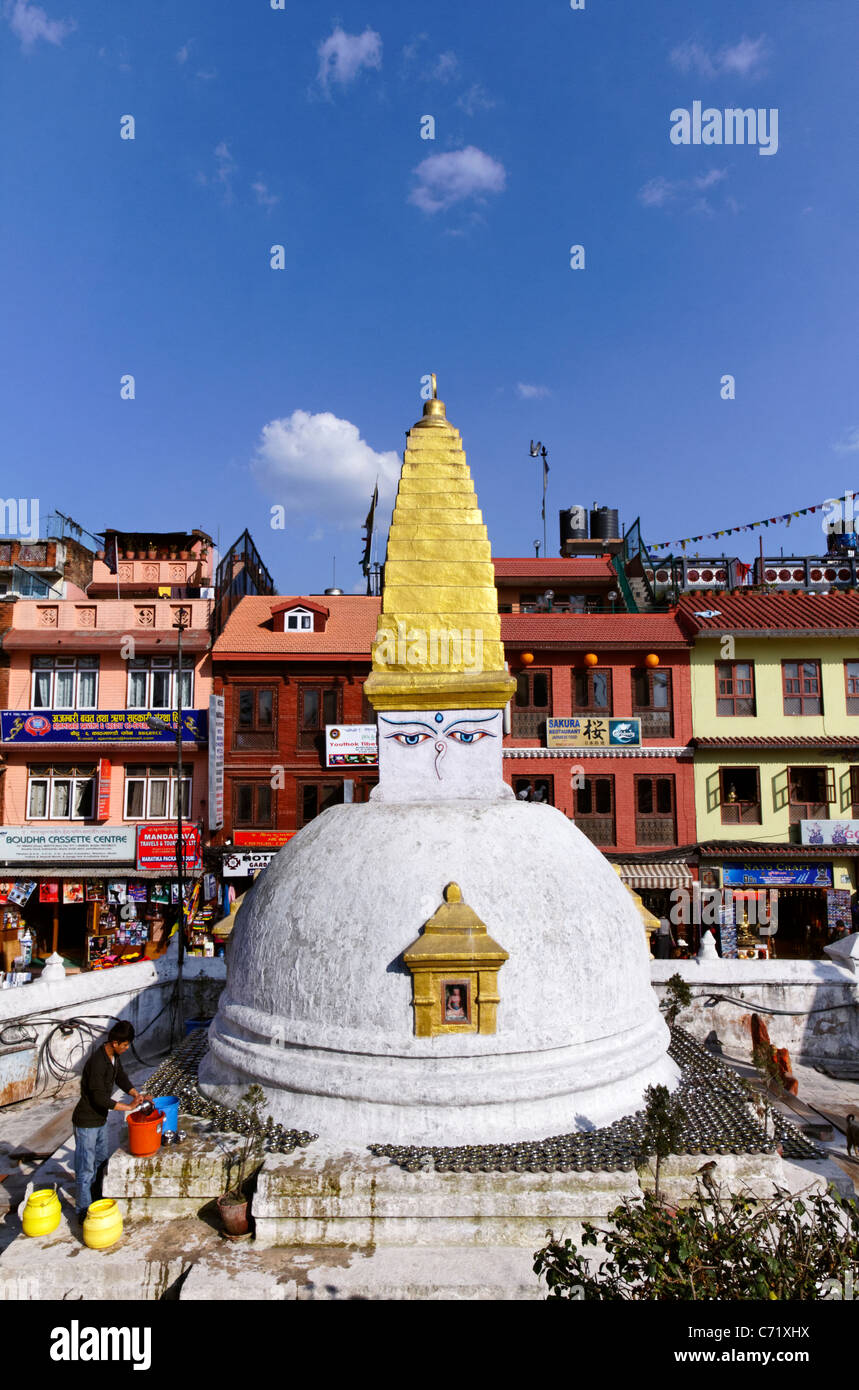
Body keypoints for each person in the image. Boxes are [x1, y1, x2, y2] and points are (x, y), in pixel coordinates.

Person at [71, 1020, 149, 1223]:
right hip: (86, 1122)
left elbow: (120, 1077)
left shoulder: (113, 1057)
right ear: (115, 1042)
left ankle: (96, 1198)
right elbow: (99, 1099)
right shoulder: (97, 1062)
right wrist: (128, 1108)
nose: (127, 1048)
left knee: (101, 1161)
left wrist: (135, 1093)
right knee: (85, 1169)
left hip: (100, 1120)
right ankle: (82, 1210)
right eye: (124, 1045)